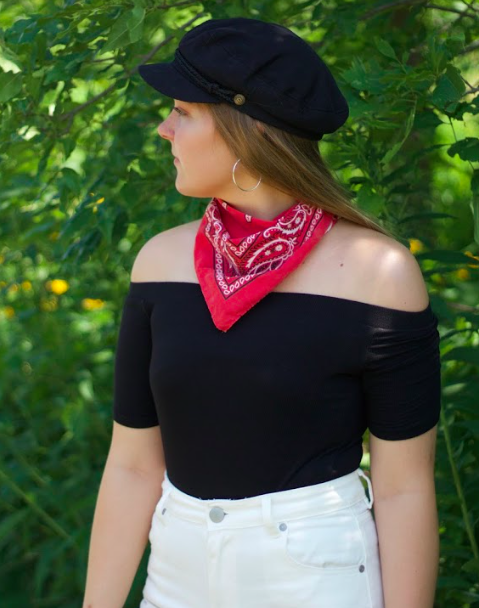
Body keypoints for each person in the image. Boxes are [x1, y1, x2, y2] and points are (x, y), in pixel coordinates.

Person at [83, 17, 441, 608]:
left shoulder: (380, 275)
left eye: (183, 111)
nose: (163, 128)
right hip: (175, 576)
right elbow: (132, 466)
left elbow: (404, 488)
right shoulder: (160, 265)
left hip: (316, 580)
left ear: (244, 131)